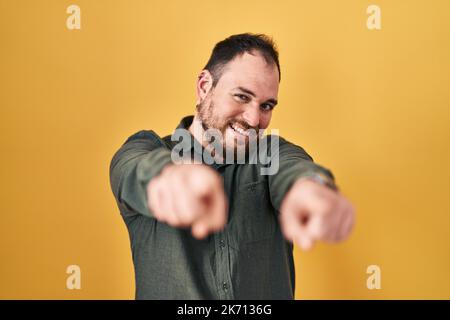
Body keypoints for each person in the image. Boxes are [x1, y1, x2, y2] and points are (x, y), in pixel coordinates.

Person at [109, 33, 355, 299]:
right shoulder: (148, 149)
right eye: (241, 96)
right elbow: (131, 168)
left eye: (267, 105)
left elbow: (294, 169)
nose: (254, 118)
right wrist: (167, 175)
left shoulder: (272, 154)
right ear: (204, 87)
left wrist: (311, 188)